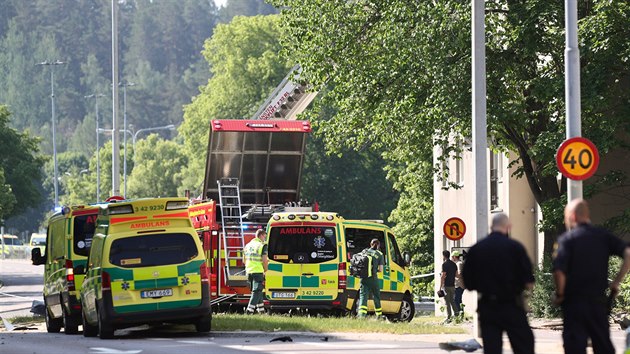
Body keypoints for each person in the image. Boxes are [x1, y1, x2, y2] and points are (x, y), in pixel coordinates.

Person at [552, 199, 630, 354]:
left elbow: (559, 271)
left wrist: (560, 294)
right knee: (603, 346)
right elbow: (628, 253)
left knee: (575, 347)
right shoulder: (603, 236)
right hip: (598, 304)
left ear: (573, 216)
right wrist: (616, 282)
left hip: (574, 305)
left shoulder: (566, 240)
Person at [463, 213, 535, 354]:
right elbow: (528, 281)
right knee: (524, 345)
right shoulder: (516, 248)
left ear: (491, 227)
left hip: (487, 306)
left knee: (492, 348)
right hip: (512, 305)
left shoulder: (477, 249)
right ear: (508, 227)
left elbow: (468, 283)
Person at [357, 238, 384, 318]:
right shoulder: (379, 254)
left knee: (363, 296)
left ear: (370, 244)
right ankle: (379, 316)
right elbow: (381, 269)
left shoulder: (364, 251)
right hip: (373, 278)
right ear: (378, 245)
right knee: (376, 296)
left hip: (364, 278)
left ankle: (361, 315)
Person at [243, 229, 269, 314]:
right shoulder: (262, 245)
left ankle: (261, 311)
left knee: (258, 291)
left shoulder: (247, 245)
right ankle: (249, 311)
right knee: (257, 291)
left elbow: (244, 260)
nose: (265, 238)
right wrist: (265, 269)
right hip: (258, 271)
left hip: (249, 271)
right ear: (261, 235)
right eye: (264, 236)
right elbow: (264, 260)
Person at [440, 250, 457, 322]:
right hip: (453, 285)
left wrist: (440, 286)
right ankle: (456, 314)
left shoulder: (444, 264)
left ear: (444, 256)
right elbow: (456, 275)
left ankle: (448, 317)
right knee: (452, 301)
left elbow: (443, 276)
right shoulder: (454, 264)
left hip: (446, 285)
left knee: (447, 301)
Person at [452, 250, 465, 316]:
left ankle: (458, 314)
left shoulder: (459, 263)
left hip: (459, 284)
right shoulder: (457, 263)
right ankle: (461, 313)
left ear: (454, 257)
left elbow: (459, 274)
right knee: (458, 299)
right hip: (458, 284)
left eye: (452, 256)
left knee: (456, 299)